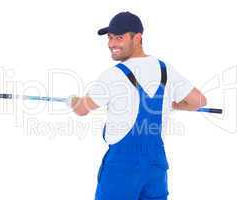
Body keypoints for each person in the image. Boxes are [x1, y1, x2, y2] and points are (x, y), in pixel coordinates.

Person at [70, 11, 207, 200]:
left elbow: (82, 109)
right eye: (110, 38)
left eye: (119, 37)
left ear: (138, 38)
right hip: (155, 167)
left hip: (122, 167)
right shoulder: (165, 69)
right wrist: (171, 104)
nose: (112, 44)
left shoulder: (113, 76)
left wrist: (75, 101)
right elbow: (199, 101)